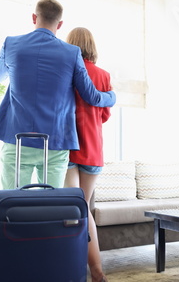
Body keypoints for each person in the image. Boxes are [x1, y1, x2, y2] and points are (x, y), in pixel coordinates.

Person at [0, 0, 116, 190]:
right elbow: (92, 97)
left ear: (34, 17)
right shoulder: (72, 53)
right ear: (60, 24)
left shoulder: (12, 44)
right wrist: (111, 97)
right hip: (54, 143)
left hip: (17, 140)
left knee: (12, 206)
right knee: (50, 208)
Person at [64, 27, 111, 282]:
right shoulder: (103, 75)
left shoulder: (67, 71)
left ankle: (78, 270)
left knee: (74, 211)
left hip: (71, 147)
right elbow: (103, 115)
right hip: (93, 150)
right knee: (83, 209)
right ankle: (96, 272)